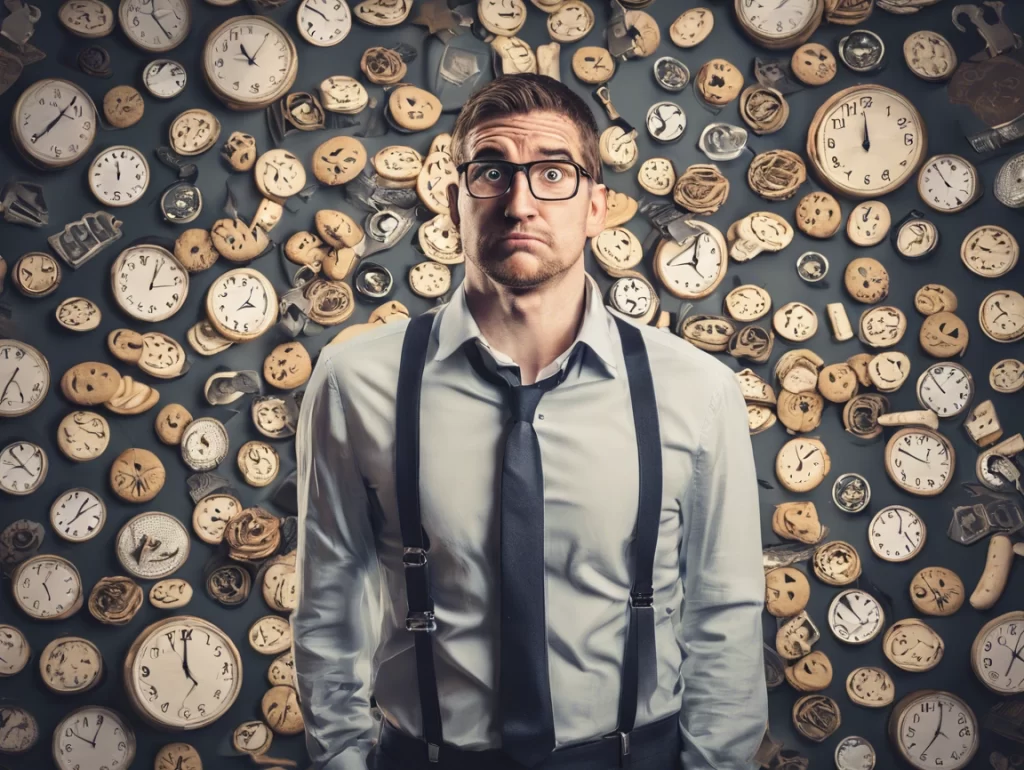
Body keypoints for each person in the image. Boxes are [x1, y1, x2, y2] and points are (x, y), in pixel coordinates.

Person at [292, 73, 768, 770]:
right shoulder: (355, 382)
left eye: (553, 174)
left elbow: (723, 614)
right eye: (490, 173)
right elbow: (327, 604)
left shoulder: (697, 390)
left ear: (597, 206)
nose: (519, 203)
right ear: (453, 202)